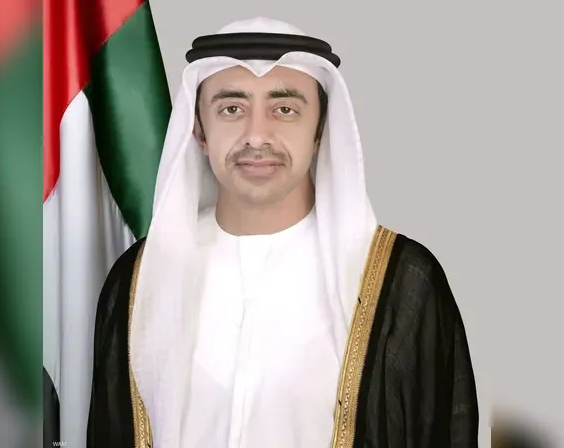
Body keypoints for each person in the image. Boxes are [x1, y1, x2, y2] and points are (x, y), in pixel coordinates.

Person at [87, 17, 479, 448]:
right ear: (199, 131)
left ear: (319, 131)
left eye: (285, 109)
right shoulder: (142, 278)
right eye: (232, 109)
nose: (257, 135)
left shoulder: (399, 281)